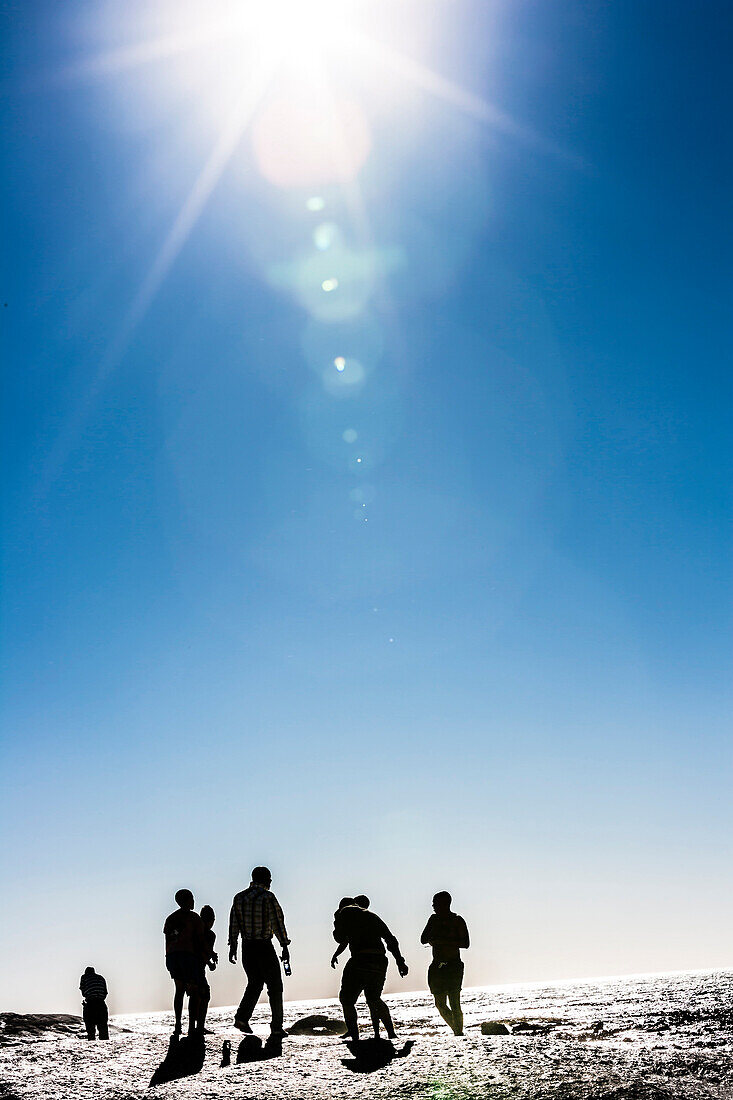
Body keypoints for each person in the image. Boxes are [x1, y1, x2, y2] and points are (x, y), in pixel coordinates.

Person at [333, 895, 408, 1042]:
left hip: (360, 959)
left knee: (347, 1000)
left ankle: (355, 1037)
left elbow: (340, 938)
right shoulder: (372, 916)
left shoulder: (343, 912)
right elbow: (390, 939)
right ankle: (391, 1033)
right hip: (379, 960)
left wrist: (336, 921)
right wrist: (400, 961)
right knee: (374, 998)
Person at [228, 866, 291, 1039]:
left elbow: (233, 923)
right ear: (265, 879)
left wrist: (233, 945)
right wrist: (284, 945)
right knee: (275, 986)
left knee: (255, 982)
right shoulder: (267, 897)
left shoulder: (239, 898)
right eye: (269, 878)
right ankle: (276, 1027)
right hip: (264, 946)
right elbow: (278, 922)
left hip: (247, 947)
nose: (271, 882)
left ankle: (242, 1018)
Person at [420, 891, 470, 1035]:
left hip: (453, 965)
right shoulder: (433, 919)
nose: (433, 906)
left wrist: (443, 941)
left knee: (455, 1003)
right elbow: (423, 939)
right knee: (440, 1004)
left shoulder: (457, 920)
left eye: (435, 904)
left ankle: (458, 1032)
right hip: (437, 965)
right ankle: (456, 1030)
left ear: (445, 904)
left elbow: (466, 943)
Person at [163, 889, 206, 1037]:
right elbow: (200, 941)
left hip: (173, 957)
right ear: (187, 901)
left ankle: (177, 1024)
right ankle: (191, 1026)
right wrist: (208, 955)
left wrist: (168, 959)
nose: (193, 901)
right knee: (194, 992)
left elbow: (168, 941)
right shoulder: (194, 918)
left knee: (179, 990)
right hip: (188, 957)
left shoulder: (170, 918)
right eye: (192, 899)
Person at [195, 905, 218, 1034]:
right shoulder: (209, 935)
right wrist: (210, 962)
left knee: (196, 997)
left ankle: (195, 1026)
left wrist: (209, 962)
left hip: (191, 966)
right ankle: (199, 1027)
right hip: (197, 968)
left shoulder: (194, 931)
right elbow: (203, 952)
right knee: (204, 995)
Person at [79, 966, 109, 1040]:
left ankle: (91, 1045)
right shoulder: (101, 978)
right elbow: (105, 992)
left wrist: (88, 999)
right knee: (103, 1029)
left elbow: (83, 992)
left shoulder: (84, 977)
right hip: (102, 1004)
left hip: (90, 1004)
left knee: (90, 1030)